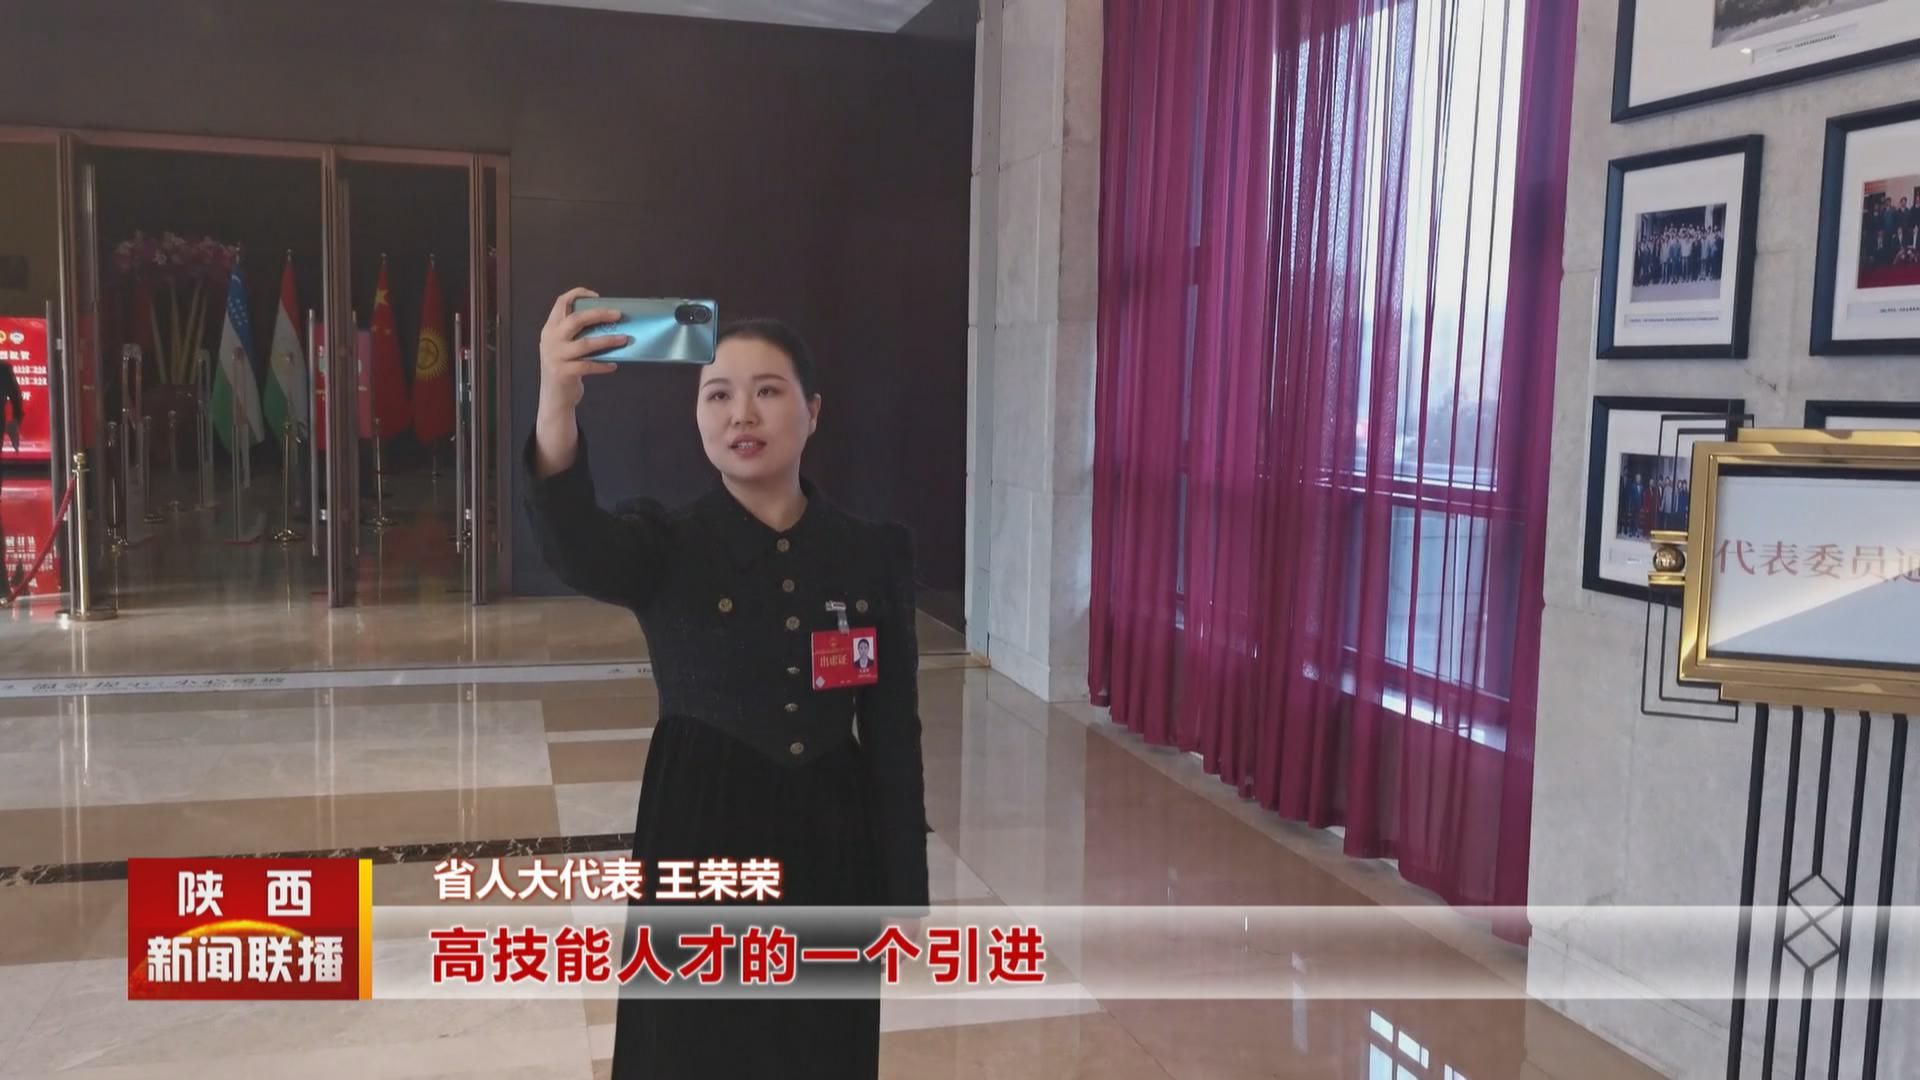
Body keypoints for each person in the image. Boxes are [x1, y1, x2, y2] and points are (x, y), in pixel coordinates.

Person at [525, 287, 930, 1079]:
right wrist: (556, 401)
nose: (742, 413)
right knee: (691, 1045)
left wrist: (902, 891)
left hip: (832, 840)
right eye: (718, 395)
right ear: (697, 417)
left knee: (823, 1046)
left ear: (813, 411)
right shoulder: (664, 544)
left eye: (767, 391)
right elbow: (573, 545)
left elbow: (892, 731)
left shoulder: (871, 553)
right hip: (699, 831)